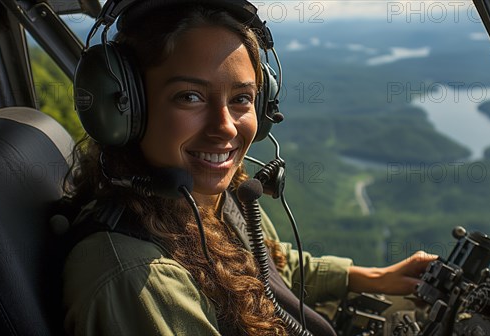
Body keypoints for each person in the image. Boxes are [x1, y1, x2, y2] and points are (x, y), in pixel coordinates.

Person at [62, 1, 436, 335]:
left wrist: (374, 278)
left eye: (242, 99)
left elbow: (270, 265)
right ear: (123, 110)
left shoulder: (212, 198)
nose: (225, 126)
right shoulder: (138, 279)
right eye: (190, 97)